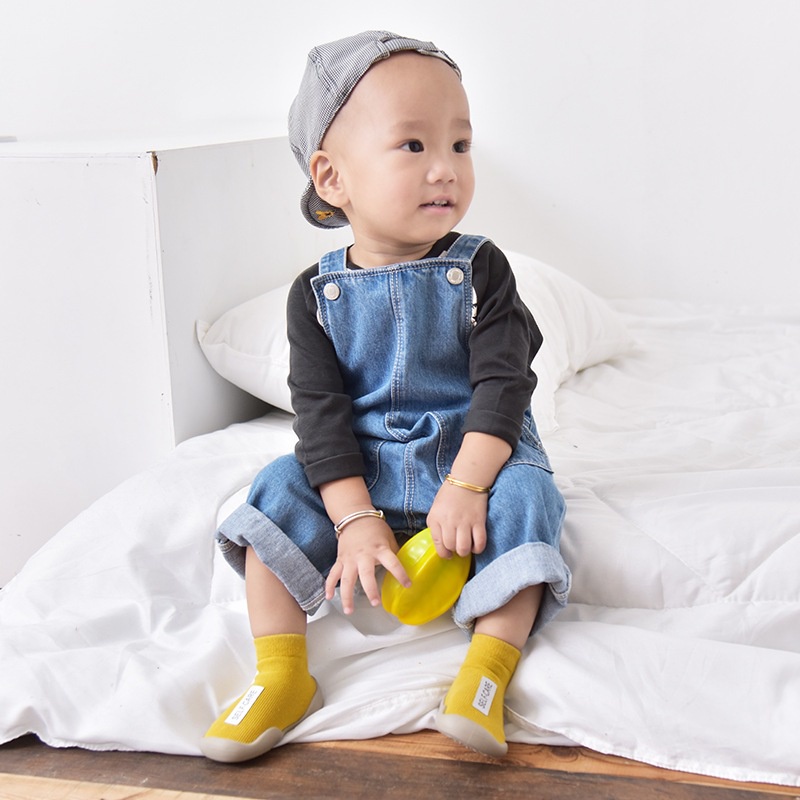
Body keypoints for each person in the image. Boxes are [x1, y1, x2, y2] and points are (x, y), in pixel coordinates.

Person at [200, 30, 570, 763]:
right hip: (363, 470)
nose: (446, 168)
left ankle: (486, 671)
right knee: (272, 489)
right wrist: (354, 519)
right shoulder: (314, 296)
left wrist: (469, 485)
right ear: (332, 178)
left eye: (461, 145)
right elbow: (321, 420)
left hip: (471, 459)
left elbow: (504, 386)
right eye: (413, 145)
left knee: (531, 496)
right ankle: (281, 673)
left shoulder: (482, 269)